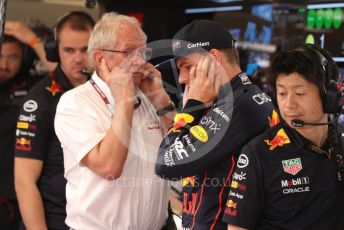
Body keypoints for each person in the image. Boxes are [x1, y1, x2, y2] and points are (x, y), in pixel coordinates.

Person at [54, 12, 173, 230]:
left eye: (142, 52)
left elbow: (182, 154)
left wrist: (161, 100)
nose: (140, 61)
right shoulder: (75, 103)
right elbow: (109, 167)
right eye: (129, 52)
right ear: (101, 59)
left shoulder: (148, 94)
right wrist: (124, 102)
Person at [155, 20, 275, 230]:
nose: (182, 78)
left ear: (213, 59)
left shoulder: (238, 106)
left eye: (187, 66)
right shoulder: (227, 100)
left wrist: (191, 107)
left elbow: (166, 164)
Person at [223, 44, 344, 230]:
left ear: (330, 95)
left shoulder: (340, 145)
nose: (288, 104)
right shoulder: (258, 153)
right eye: (282, 93)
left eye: (299, 93)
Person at [14, 11, 95, 230]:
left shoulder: (104, 92)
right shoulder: (39, 100)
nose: (77, 58)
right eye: (69, 50)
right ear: (54, 51)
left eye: (85, 49)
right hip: (54, 221)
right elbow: (24, 182)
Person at [0, 32, 43, 230]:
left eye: (13, 56)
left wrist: (25, 34)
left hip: (14, 196)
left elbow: (58, 67)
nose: (4, 64)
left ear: (24, 58)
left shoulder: (34, 86)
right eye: (0, 55)